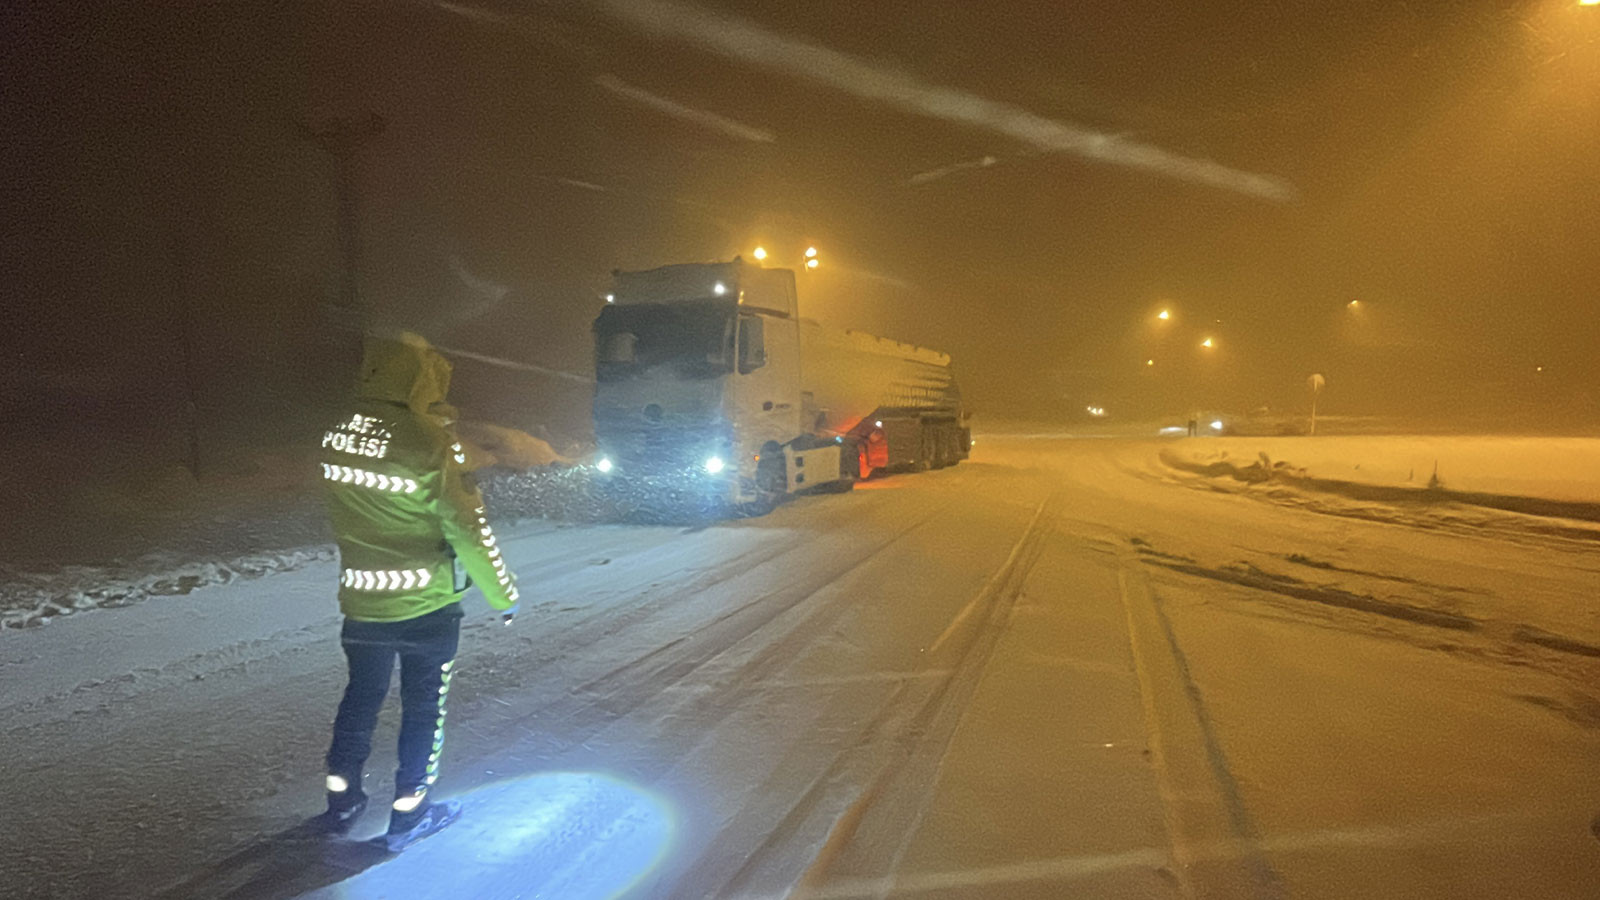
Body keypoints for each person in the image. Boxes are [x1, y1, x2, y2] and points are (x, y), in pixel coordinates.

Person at [312, 331, 520, 851]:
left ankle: (342, 797)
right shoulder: (430, 443)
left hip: (362, 602)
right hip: (428, 605)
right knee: (424, 703)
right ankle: (411, 807)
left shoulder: (339, 433)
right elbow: (468, 529)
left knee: (361, 696)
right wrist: (502, 594)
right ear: (419, 378)